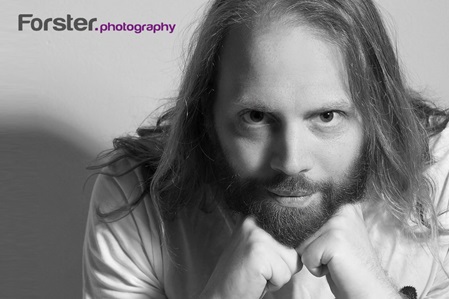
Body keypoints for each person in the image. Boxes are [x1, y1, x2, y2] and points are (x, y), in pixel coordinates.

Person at [82, 0, 449, 298]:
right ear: (206, 119)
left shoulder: (442, 174)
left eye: (326, 116)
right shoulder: (135, 193)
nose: (291, 162)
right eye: (256, 117)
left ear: (376, 117)